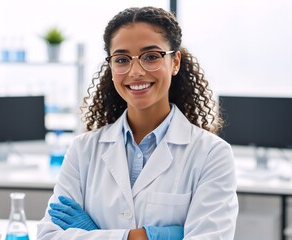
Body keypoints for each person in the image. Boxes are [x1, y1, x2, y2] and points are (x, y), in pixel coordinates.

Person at [37, 6, 238, 240]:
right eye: (122, 60)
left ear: (175, 62)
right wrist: (146, 236)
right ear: (111, 67)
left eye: (151, 57)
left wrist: (94, 234)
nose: (135, 71)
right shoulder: (83, 150)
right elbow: (48, 236)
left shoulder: (212, 154)